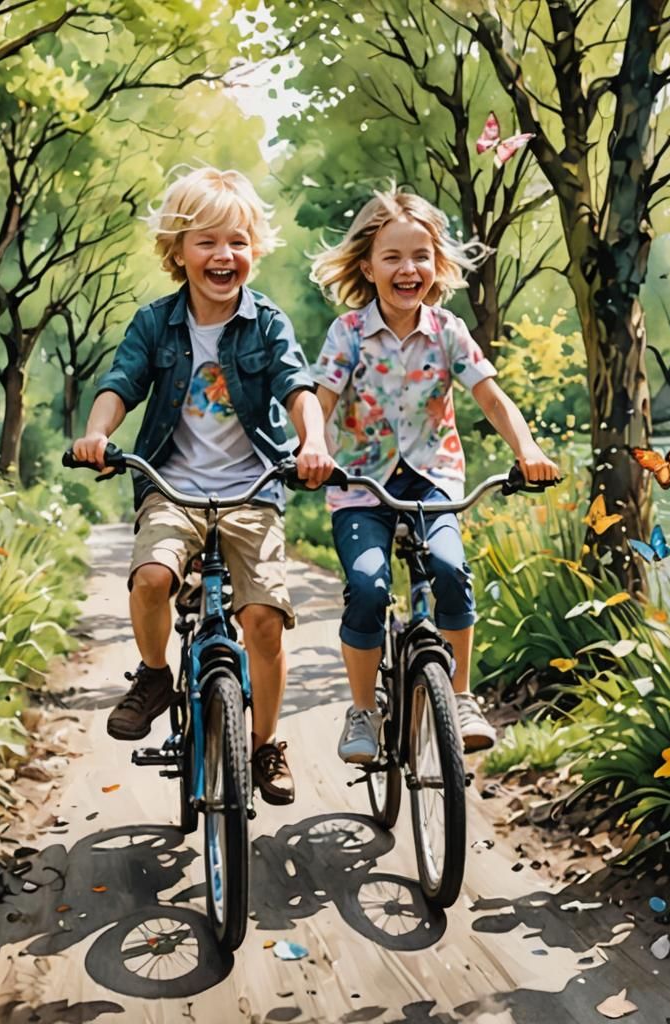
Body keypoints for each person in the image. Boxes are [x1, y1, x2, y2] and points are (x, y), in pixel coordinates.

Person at [73, 167, 334, 804]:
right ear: (177, 250)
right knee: (152, 578)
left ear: (254, 252)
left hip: (252, 489)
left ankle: (267, 743)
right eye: (207, 242)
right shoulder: (156, 323)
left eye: (238, 242)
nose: (224, 256)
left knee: (263, 619)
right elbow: (122, 383)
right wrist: (97, 434)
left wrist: (314, 442)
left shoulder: (267, 324)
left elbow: (299, 389)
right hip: (173, 486)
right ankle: (156, 676)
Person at [308, 186, 560, 764]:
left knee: (449, 569)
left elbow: (492, 399)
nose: (407, 268)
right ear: (368, 266)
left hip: (432, 478)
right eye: (392, 257)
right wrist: (313, 448)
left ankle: (463, 696)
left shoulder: (448, 330)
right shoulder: (347, 332)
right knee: (369, 588)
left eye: (420, 255)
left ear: (437, 264)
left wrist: (527, 448)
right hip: (361, 485)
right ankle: (364, 712)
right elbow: (319, 402)